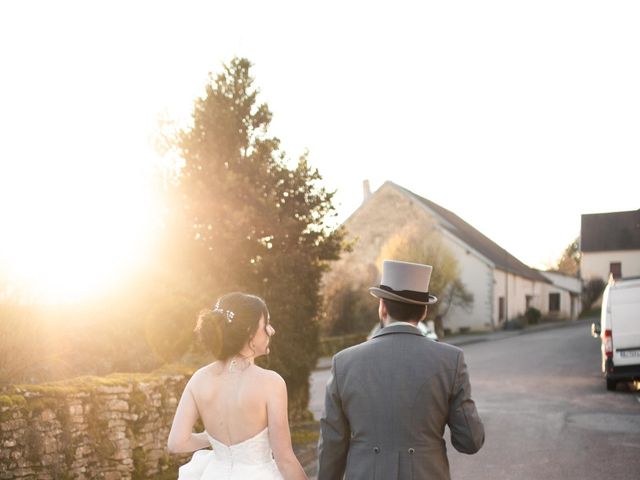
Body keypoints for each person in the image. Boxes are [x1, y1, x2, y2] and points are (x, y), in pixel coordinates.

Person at [317, 260, 485, 480]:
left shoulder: (344, 362)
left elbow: (332, 444)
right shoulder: (451, 360)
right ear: (424, 312)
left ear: (382, 307)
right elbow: (470, 441)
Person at [167, 292, 308, 480]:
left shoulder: (199, 379)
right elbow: (285, 460)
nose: (271, 330)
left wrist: (214, 438)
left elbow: (177, 443)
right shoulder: (270, 382)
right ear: (250, 332)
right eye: (265, 324)